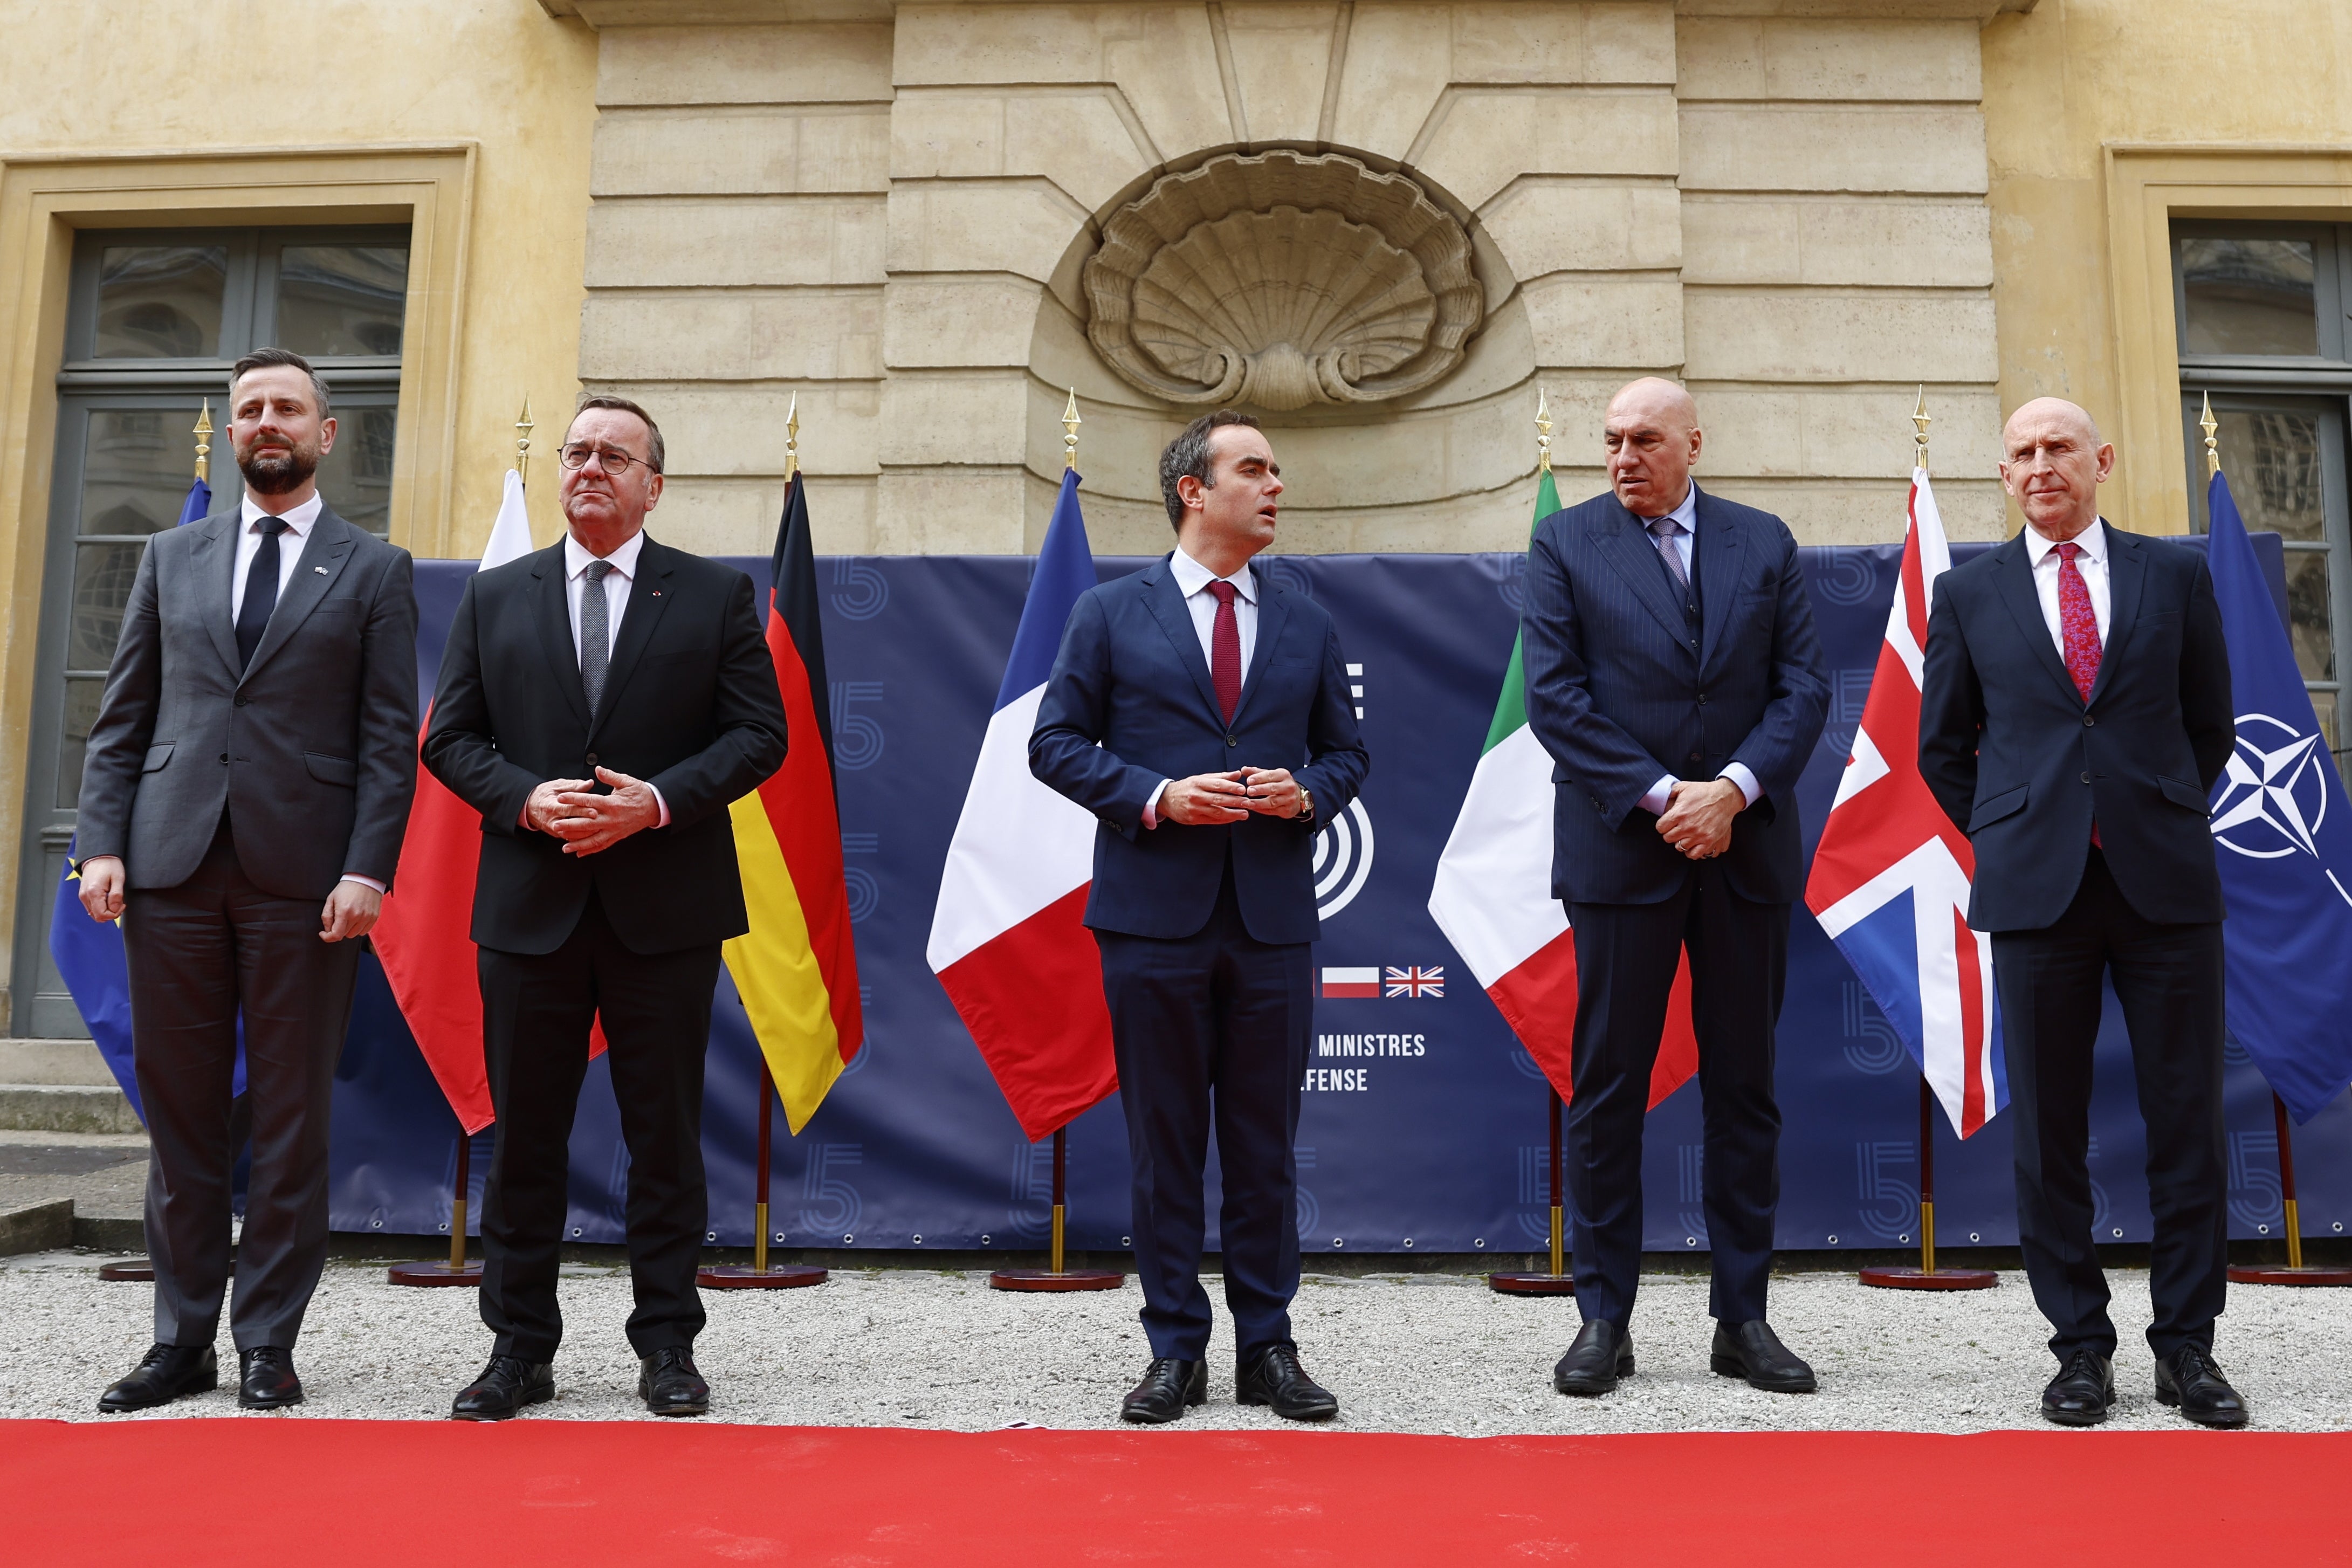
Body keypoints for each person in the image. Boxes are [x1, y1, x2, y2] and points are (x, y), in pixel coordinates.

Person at [423, 394, 788, 1421]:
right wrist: (523, 797)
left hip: (663, 909)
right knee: (527, 1138)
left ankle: (667, 1346)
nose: (589, 466)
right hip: (529, 907)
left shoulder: (715, 596)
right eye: (577, 452)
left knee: (663, 1135)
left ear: (652, 485)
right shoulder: (497, 596)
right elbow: (450, 741)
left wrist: (658, 803)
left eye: (613, 456)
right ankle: (518, 1351)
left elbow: (761, 736)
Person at [76, 347, 418, 1413]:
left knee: (288, 1117)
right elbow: (123, 716)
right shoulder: (170, 553)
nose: (267, 422)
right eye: (249, 410)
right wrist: (101, 841)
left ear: (326, 432)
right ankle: (180, 1342)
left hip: (305, 881)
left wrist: (369, 866)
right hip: (170, 869)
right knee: (180, 1116)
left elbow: (386, 740)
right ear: (231, 436)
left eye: (287, 407)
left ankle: (267, 1339)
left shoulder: (374, 566)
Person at [1030, 410, 1368, 1424]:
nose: (1275, 485)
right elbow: (1053, 744)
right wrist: (1156, 795)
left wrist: (1304, 793)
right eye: (1254, 469)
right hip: (1151, 920)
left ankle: (1269, 1348)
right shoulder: (1109, 612)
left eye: (1275, 470)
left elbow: (1349, 757)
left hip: (1269, 922)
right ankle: (1174, 1348)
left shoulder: (1305, 617)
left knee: (1264, 1148)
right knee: (1164, 1144)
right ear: (1193, 490)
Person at [1920, 397, 2241, 1428]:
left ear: (2101, 460)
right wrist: (2023, 827)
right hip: (2034, 893)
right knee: (2048, 1133)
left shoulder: (2176, 574)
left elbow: (2209, 728)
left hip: (2163, 887)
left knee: (2185, 1122)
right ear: (2003, 475)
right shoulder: (1966, 593)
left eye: (2059, 447)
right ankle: (2078, 1351)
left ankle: (2186, 1351)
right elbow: (1942, 748)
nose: (2040, 464)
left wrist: (2141, 810)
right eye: (2021, 453)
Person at [1520, 377, 1828, 1398]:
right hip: (1623, 855)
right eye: (1609, 441)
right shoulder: (1566, 545)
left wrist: (1732, 792)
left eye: (1642, 439)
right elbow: (1556, 699)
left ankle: (1742, 1319)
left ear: (1692, 442)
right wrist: (1665, 798)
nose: (1620, 457)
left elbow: (1803, 688)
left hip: (1743, 852)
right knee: (1608, 1092)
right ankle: (1602, 1319)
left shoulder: (1763, 539)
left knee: (1745, 1092)